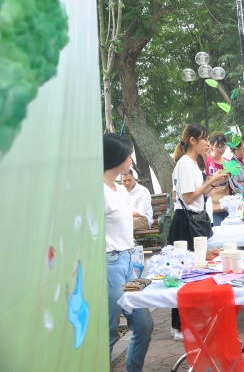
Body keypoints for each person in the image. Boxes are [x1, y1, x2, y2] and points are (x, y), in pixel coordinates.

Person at [167, 124, 227, 340]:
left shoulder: (192, 164)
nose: (208, 143)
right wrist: (210, 181)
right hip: (184, 223)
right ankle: (179, 326)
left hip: (191, 220)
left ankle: (187, 323)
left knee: (192, 271)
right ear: (192, 140)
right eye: (205, 139)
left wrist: (213, 184)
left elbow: (198, 196)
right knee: (184, 272)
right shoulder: (184, 163)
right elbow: (189, 197)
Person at [103, 134, 154, 371]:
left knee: (143, 326)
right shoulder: (97, 191)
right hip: (110, 264)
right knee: (109, 333)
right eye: (127, 154)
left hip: (129, 262)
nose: (131, 160)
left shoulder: (120, 190)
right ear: (116, 157)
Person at [206, 133, 231, 225]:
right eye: (217, 146)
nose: (220, 150)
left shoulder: (228, 162)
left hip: (227, 201)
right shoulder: (207, 161)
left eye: (222, 147)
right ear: (212, 146)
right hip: (213, 202)